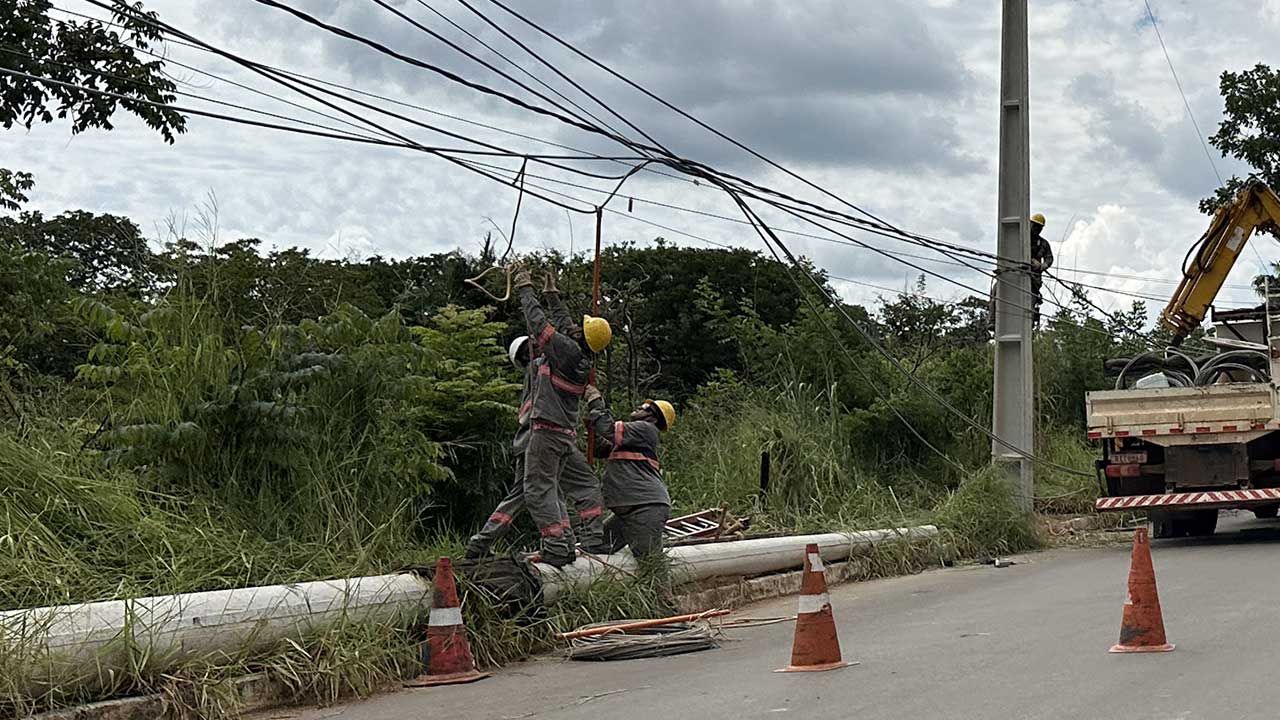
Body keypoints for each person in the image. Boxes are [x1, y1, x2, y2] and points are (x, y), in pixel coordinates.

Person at [463, 311, 607, 559]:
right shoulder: (538, 367)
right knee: (539, 491)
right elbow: (554, 336)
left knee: (533, 493)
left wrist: (553, 298)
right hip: (537, 437)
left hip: (541, 438)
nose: (537, 346)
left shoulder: (549, 365)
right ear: (525, 355)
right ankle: (559, 544)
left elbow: (564, 333)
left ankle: (483, 543)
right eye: (531, 347)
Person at [514, 268, 612, 567]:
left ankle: (557, 547)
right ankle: (593, 540)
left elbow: (540, 325)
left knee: (538, 490)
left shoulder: (564, 350)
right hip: (565, 437)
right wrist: (552, 295)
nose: (575, 327)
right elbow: (565, 324)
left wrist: (525, 289)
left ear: (582, 337)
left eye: (580, 328)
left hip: (545, 433)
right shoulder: (582, 353)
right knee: (584, 486)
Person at [583, 385, 676, 562]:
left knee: (651, 564)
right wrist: (592, 431)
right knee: (596, 546)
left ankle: (663, 591)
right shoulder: (630, 439)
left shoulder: (645, 429)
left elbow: (609, 429)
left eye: (645, 408)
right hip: (628, 511)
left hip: (645, 508)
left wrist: (595, 402)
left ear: (654, 417)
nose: (639, 407)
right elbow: (600, 449)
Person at [1030, 213, 1054, 325]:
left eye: (1039, 227)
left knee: (1031, 295)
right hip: (1016, 272)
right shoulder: (1019, 238)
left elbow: (1049, 259)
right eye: (1034, 226)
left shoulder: (1043, 244)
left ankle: (1029, 319)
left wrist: (1041, 266)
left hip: (1034, 277)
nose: (1036, 229)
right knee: (997, 290)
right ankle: (992, 321)